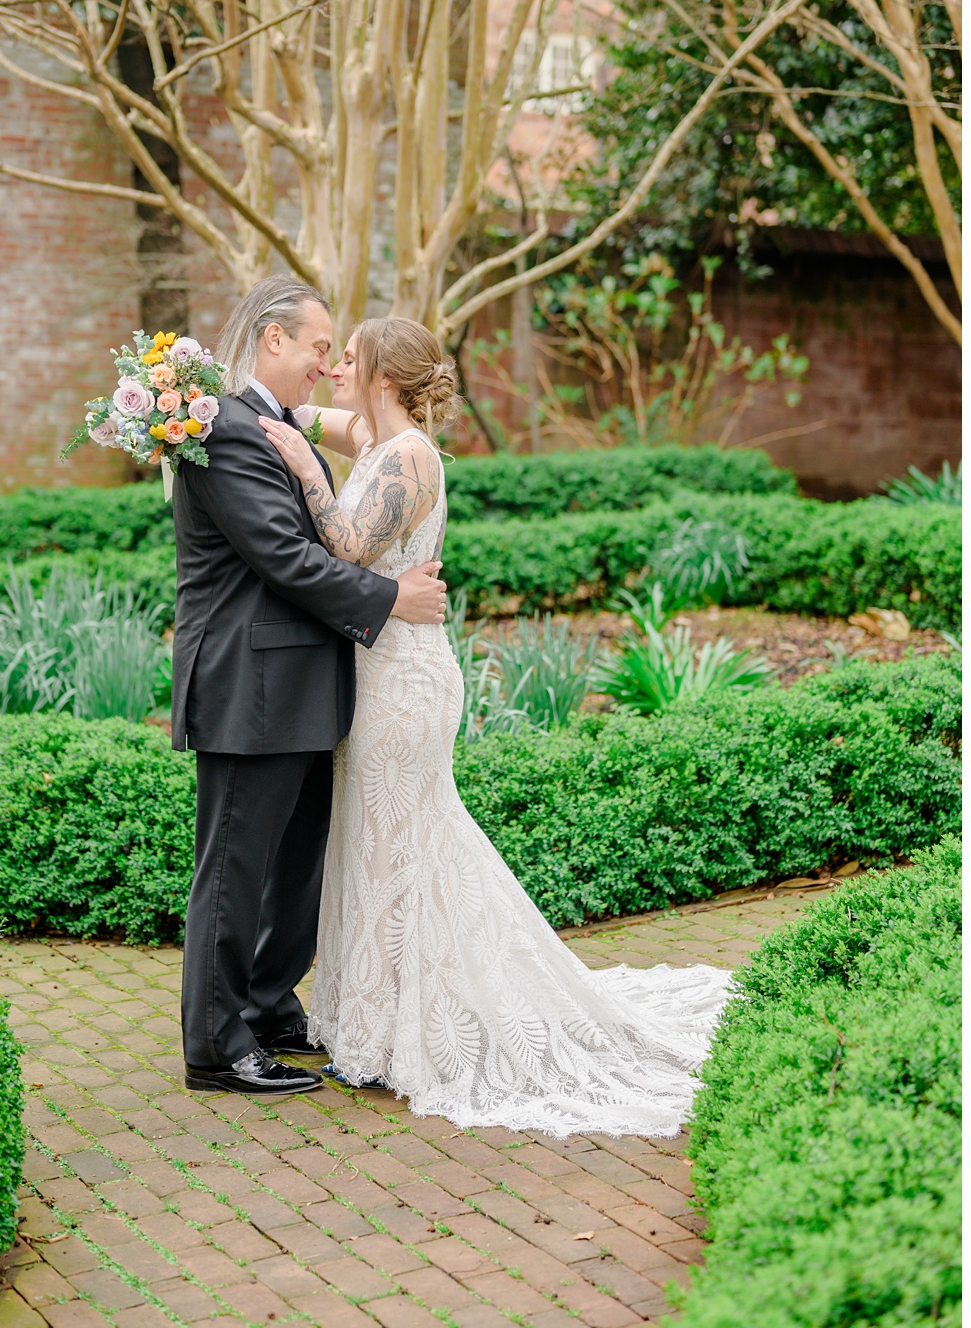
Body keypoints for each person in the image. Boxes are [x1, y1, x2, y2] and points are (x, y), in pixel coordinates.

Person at [254, 317, 731, 1136]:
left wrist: (304, 468)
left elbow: (344, 546)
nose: (335, 366)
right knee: (375, 842)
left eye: (349, 356)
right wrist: (242, 409)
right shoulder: (375, 432)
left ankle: (398, 1032)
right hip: (375, 673)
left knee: (399, 844)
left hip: (404, 682)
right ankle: (374, 1022)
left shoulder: (408, 456)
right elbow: (307, 418)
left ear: (384, 377)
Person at [171, 277, 449, 1097]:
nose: (329, 366)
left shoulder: (269, 421)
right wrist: (391, 598)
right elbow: (286, 559)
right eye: (321, 347)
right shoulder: (224, 428)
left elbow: (356, 434)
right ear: (272, 340)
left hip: (298, 687)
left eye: (342, 354)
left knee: (291, 868)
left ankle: (262, 1005)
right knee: (233, 870)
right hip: (249, 687)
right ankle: (217, 1046)